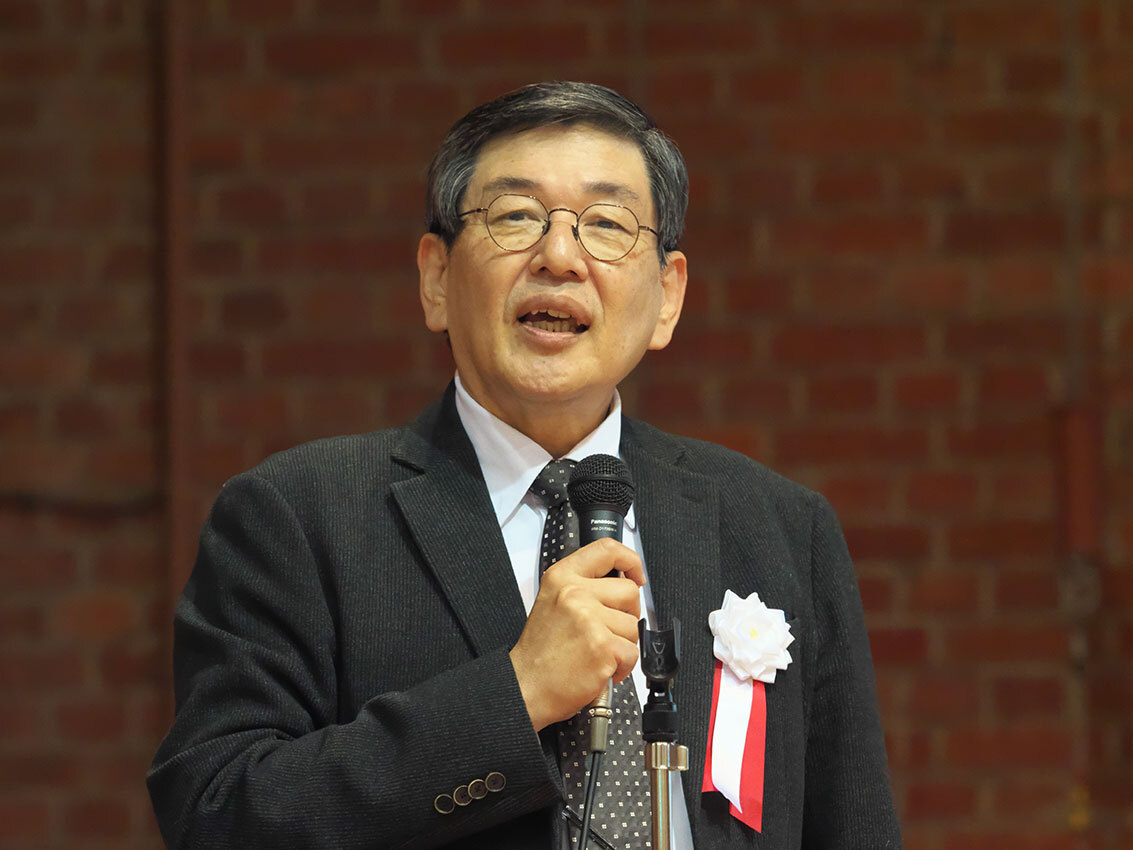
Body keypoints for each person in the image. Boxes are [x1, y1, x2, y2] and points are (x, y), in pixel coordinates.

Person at [148, 81, 902, 849]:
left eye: (606, 224)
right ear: (436, 279)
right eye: (515, 216)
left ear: (668, 298)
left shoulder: (778, 528)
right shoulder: (299, 517)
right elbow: (217, 812)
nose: (559, 257)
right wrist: (515, 694)